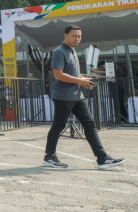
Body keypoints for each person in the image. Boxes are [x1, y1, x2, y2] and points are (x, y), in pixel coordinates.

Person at [42, 25, 125, 170]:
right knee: (59, 125)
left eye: (79, 36)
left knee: (90, 124)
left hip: (76, 95)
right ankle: (49, 157)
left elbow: (72, 74)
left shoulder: (72, 51)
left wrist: (84, 80)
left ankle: (102, 158)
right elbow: (58, 75)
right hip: (63, 95)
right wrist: (79, 81)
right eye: (74, 35)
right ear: (65, 35)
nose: (77, 39)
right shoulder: (59, 52)